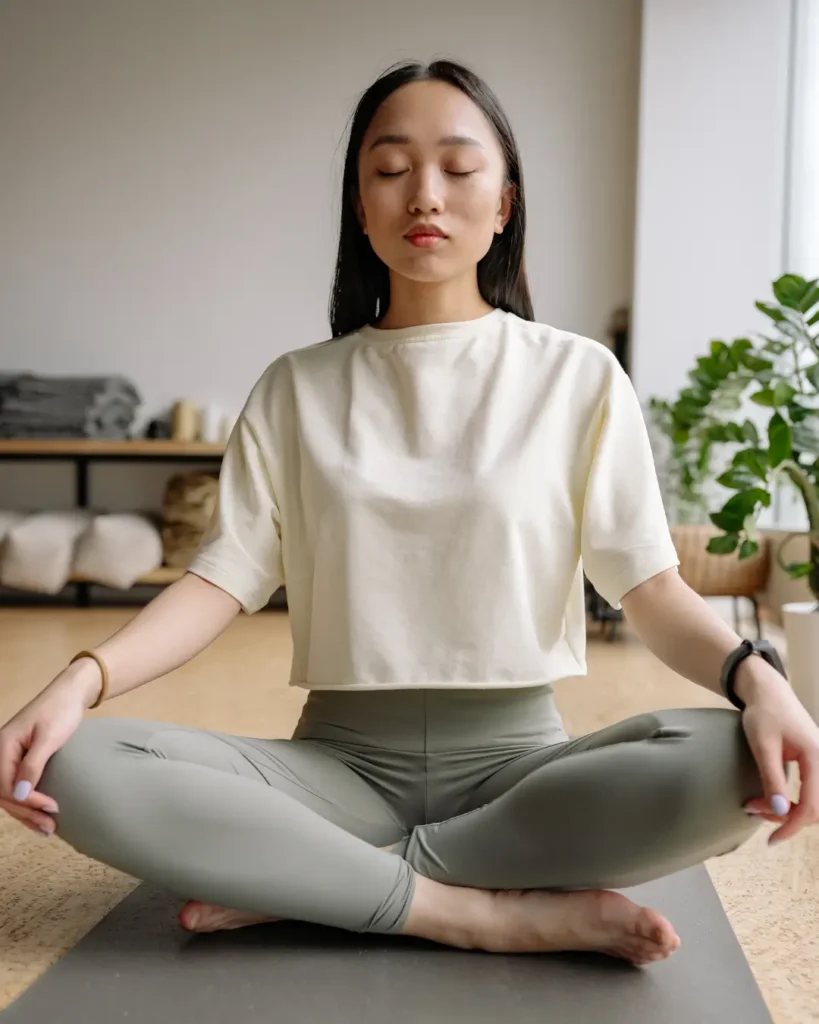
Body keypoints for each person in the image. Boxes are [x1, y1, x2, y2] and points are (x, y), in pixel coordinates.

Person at [2, 60, 818, 969]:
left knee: (741, 765)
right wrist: (77, 681)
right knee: (75, 767)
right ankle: (474, 912)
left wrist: (760, 680)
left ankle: (323, 887)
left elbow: (650, 587)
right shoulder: (294, 388)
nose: (423, 194)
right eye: (389, 171)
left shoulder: (577, 376)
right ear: (359, 205)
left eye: (458, 169)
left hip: (522, 773)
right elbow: (215, 582)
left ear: (504, 203)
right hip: (335, 769)